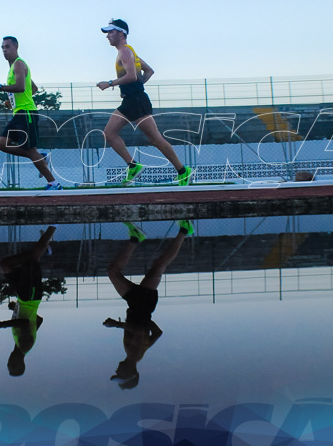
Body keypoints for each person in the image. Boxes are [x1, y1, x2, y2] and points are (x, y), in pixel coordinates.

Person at [96, 20, 193, 186]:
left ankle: (183, 171)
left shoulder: (125, 52)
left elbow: (132, 76)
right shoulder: (129, 51)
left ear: (121, 33)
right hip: (132, 100)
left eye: (110, 32)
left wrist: (110, 83)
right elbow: (149, 71)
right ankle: (133, 166)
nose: (108, 36)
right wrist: (135, 88)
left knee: (155, 139)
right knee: (109, 134)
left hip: (136, 101)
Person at [103, 219, 194, 389]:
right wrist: (117, 324)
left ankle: (137, 238)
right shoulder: (133, 353)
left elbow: (158, 333)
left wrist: (147, 321)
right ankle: (184, 230)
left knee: (118, 270)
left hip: (141, 305)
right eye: (119, 373)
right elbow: (138, 331)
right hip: (141, 304)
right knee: (157, 265)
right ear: (130, 373)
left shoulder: (138, 355)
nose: (116, 369)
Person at [0, 36, 62, 191]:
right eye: (2, 47)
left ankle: (54, 184)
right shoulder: (13, 67)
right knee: (2, 144)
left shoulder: (19, 64)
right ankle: (41, 158)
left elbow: (20, 86)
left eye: (7, 47)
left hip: (27, 114)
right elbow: (32, 88)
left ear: (16, 47)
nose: (4, 50)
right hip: (19, 113)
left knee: (29, 149)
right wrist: (12, 101)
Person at [0, 226, 57, 376]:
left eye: (9, 364)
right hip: (30, 297)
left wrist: (16, 309)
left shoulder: (18, 344)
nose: (10, 361)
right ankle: (53, 226)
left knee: (5, 266)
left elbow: (38, 320)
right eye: (13, 364)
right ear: (21, 363)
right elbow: (25, 323)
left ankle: (44, 250)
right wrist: (2, 325)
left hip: (23, 298)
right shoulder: (25, 345)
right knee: (31, 261)